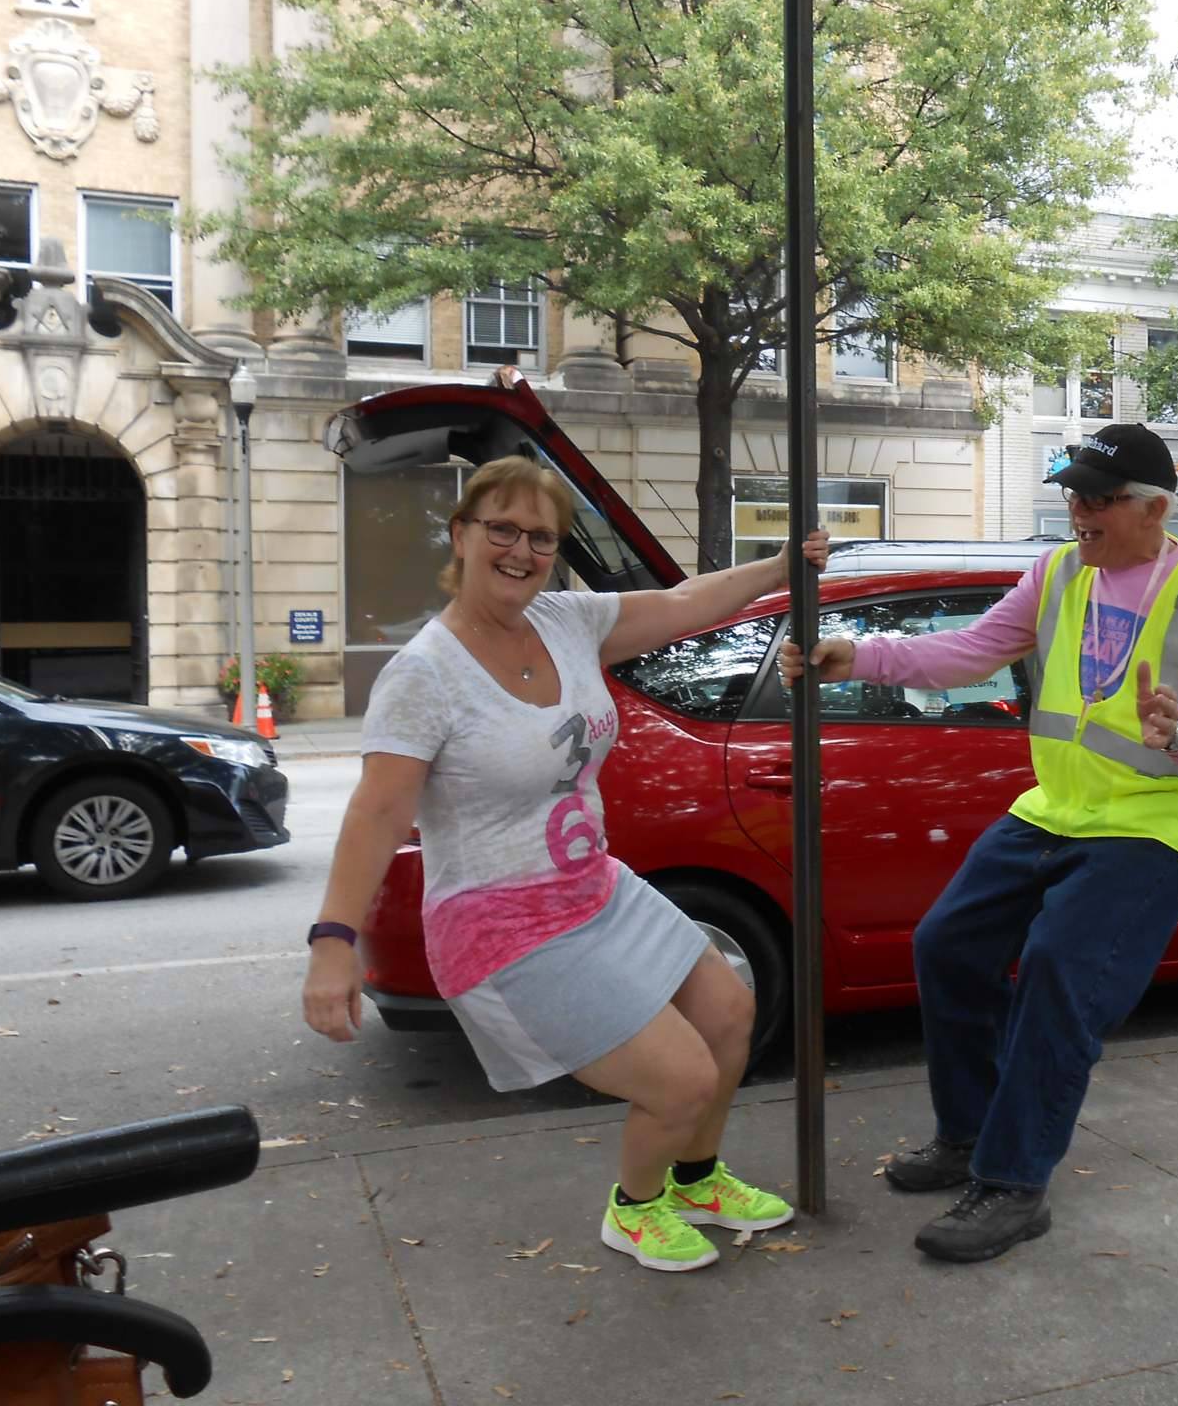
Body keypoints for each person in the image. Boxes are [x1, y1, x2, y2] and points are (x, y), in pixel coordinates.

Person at [302, 456, 828, 1274]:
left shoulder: (565, 622)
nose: (520, 550)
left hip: (593, 888)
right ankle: (637, 1206)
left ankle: (695, 1181)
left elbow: (687, 602)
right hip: (499, 922)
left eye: (540, 537)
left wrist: (784, 565)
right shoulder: (424, 674)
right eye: (502, 529)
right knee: (681, 1077)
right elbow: (377, 814)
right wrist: (332, 943)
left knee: (730, 1013)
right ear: (462, 535)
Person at [779, 423, 1178, 1263]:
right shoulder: (1059, 572)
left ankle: (1014, 1182)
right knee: (948, 945)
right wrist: (856, 656)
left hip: (1152, 824)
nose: (1077, 512)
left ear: (1153, 509)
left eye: (1096, 499)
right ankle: (968, 1135)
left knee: (1058, 971)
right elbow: (970, 649)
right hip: (1055, 810)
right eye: (1071, 494)